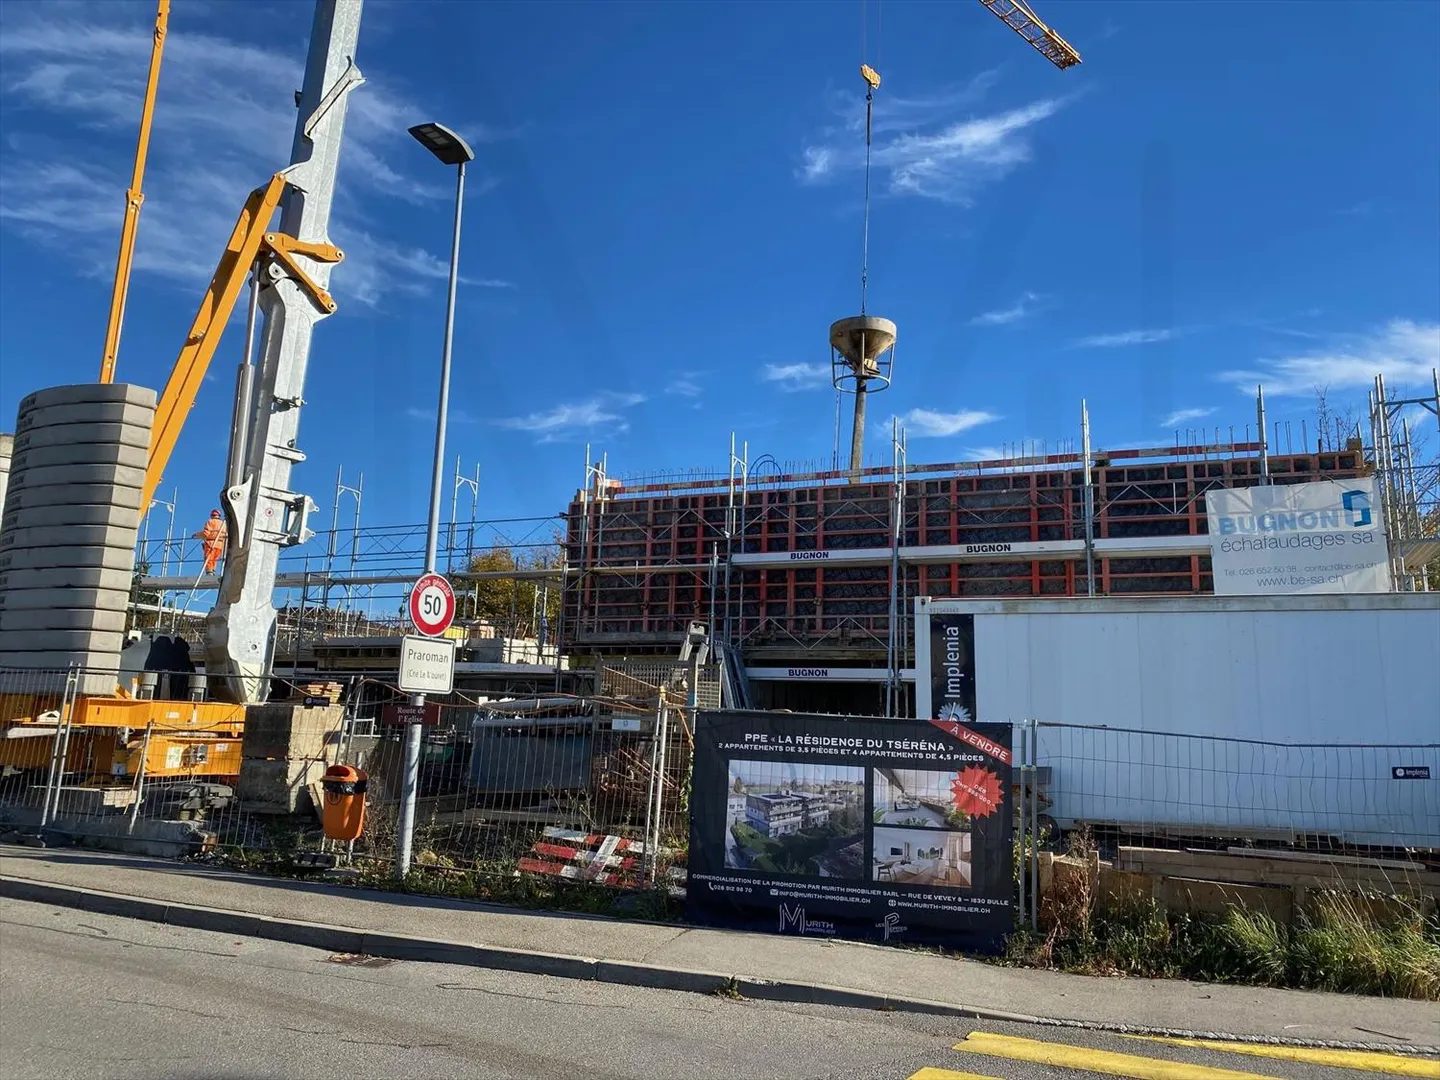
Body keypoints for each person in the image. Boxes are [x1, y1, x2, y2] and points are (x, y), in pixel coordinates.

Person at [195, 509, 227, 575]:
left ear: (211, 515)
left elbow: (206, 533)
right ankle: (213, 571)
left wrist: (197, 535)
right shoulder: (223, 524)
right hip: (220, 545)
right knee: (215, 559)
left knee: (209, 558)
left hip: (211, 543)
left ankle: (209, 572)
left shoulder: (210, 522)